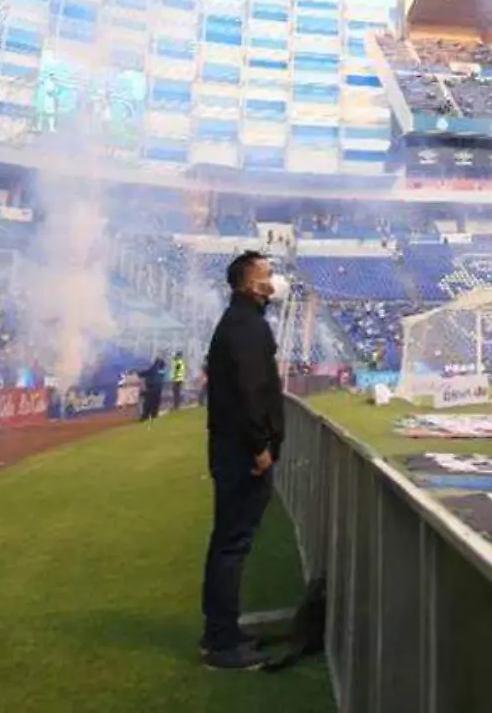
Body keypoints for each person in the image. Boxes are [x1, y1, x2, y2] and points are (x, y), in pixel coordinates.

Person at [199, 250, 285, 670]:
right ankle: (222, 644)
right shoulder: (246, 327)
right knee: (232, 546)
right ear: (251, 284)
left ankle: (221, 632)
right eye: (268, 274)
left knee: (227, 543)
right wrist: (260, 447)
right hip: (242, 455)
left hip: (233, 450)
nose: (274, 280)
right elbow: (252, 394)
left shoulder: (241, 322)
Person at [139, 356, 167, 422]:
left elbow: (146, 373)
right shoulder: (162, 369)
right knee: (156, 402)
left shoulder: (154, 368)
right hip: (159, 388)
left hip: (152, 387)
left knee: (147, 403)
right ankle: (154, 415)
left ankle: (145, 417)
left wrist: (138, 373)